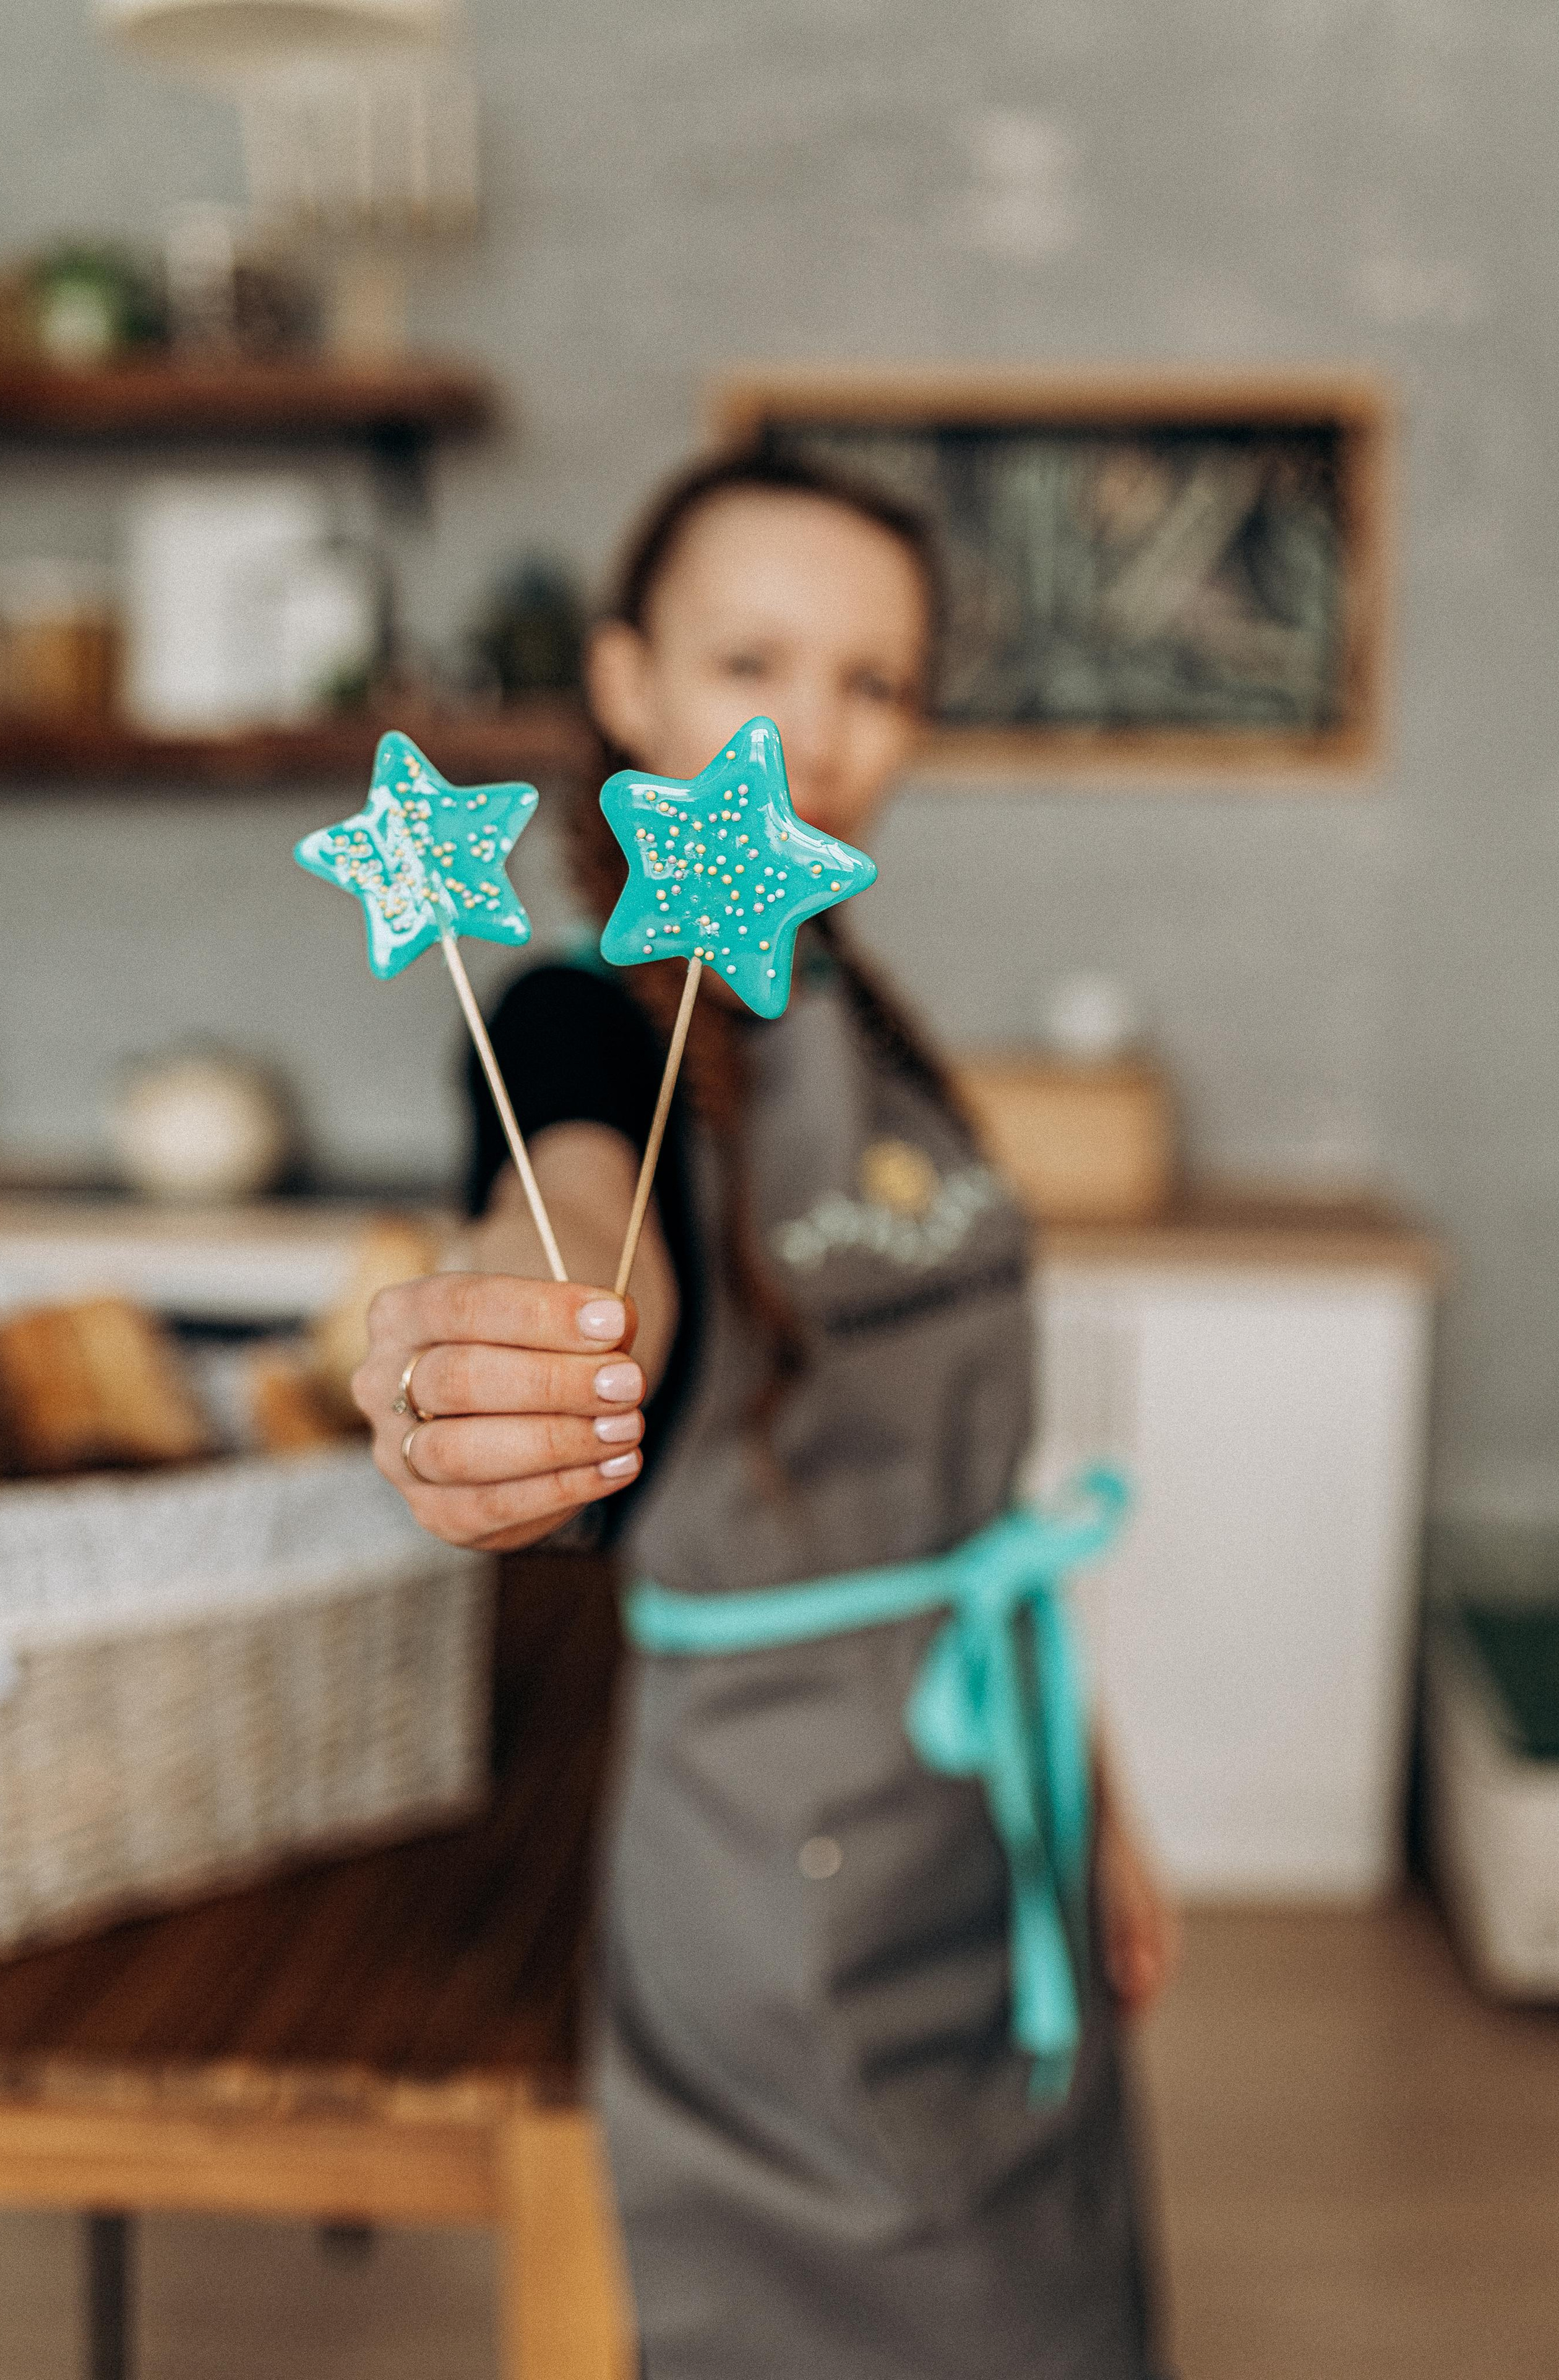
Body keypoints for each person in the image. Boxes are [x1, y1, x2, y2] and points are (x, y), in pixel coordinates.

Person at [356, 450, 1179, 2379]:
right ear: (629, 685)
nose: (814, 735)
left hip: (993, 1808)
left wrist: (1098, 1809)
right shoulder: (582, 1027)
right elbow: (569, 1225)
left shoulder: (851, 1009)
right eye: (754, 661)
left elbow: (981, 1508)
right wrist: (499, 1357)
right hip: (782, 1880)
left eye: (875, 683)